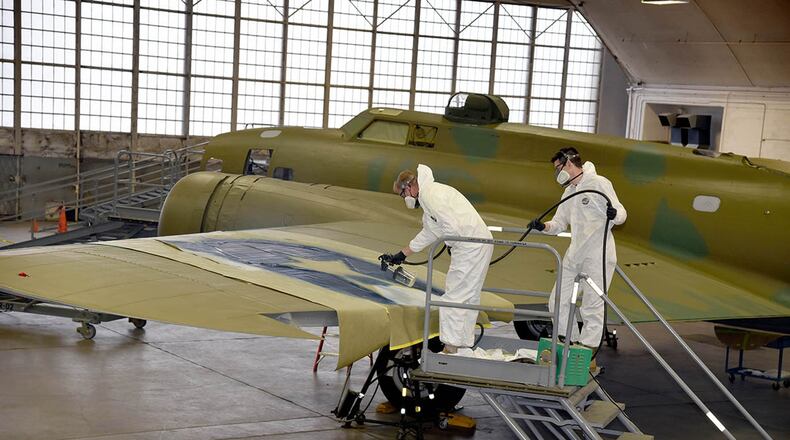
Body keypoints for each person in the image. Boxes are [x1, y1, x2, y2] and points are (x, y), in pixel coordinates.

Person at [380, 164, 493, 354]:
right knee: (467, 296)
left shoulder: (430, 195)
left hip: (469, 245)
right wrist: (402, 254)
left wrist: (451, 243)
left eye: (402, 194)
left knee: (454, 296)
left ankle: (451, 348)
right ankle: (462, 345)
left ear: (409, 186)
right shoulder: (429, 197)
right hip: (475, 242)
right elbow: (430, 232)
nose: (405, 199)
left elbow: (452, 227)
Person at [528, 147, 626, 352]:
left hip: (597, 255)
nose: (557, 173)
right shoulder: (569, 191)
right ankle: (569, 342)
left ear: (569, 164)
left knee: (592, 304)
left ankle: (588, 350)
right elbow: (558, 224)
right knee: (557, 301)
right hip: (575, 255)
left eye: (558, 168)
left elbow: (622, 214)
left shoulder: (599, 183)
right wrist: (542, 226)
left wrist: (613, 213)